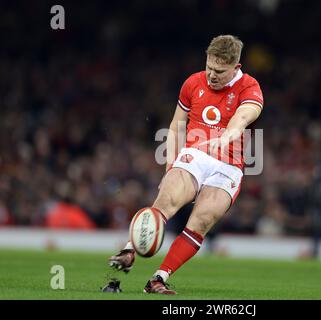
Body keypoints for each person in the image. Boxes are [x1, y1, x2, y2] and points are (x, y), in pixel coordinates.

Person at [108, 35, 264, 294]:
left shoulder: (250, 87)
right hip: (195, 155)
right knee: (167, 201)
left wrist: (225, 137)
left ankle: (158, 278)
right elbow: (176, 127)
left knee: (201, 220)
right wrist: (171, 166)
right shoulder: (193, 83)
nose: (212, 75)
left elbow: (242, 117)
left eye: (220, 71)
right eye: (209, 67)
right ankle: (129, 250)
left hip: (228, 165)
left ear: (236, 67)